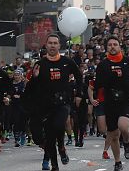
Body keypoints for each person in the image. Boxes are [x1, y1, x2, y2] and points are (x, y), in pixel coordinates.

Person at [32, 34, 82, 171]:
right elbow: (32, 88)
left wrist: (79, 94)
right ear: (46, 45)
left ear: (59, 46)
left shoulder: (67, 62)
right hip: (46, 105)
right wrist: (34, 78)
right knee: (49, 136)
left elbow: (79, 77)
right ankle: (54, 165)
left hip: (63, 102)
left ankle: (61, 146)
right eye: (50, 43)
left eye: (55, 43)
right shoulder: (40, 64)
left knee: (59, 126)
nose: (53, 45)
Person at [94, 36, 129, 171]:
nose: (112, 47)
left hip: (126, 99)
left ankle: (126, 142)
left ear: (120, 46)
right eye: (110, 45)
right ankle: (118, 162)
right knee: (113, 134)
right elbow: (98, 84)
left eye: (115, 44)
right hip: (110, 101)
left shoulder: (127, 62)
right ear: (106, 48)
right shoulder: (103, 65)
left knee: (123, 126)